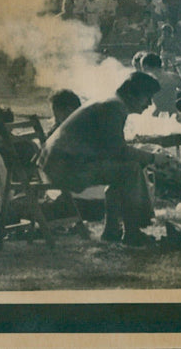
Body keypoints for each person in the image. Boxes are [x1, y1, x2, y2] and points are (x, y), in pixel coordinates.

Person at [38, 72, 161, 247]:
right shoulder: (114, 107)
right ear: (132, 94)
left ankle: (112, 231)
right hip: (63, 169)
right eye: (147, 97)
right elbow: (117, 150)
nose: (149, 104)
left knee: (124, 169)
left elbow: (110, 150)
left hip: (60, 164)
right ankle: (132, 233)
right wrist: (153, 158)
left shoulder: (112, 103)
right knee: (130, 169)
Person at [133, 52, 181, 117]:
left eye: (142, 67)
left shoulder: (147, 81)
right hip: (173, 113)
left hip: (156, 114)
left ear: (146, 66)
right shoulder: (173, 77)